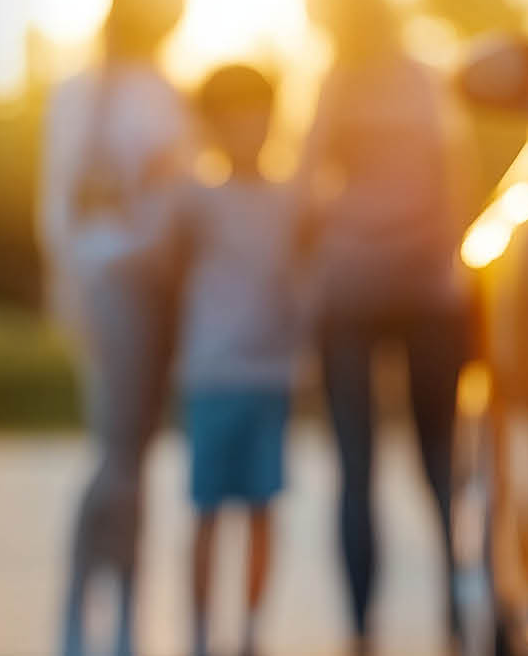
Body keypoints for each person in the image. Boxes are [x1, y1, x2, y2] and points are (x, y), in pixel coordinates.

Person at [292, 0, 478, 652]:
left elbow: (307, 188)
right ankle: (456, 613)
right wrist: (442, 249)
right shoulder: (418, 80)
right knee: (437, 457)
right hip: (426, 285)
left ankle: (361, 630)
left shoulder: (336, 83)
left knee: (358, 465)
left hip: (354, 287)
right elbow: (454, 176)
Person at [40, 0, 194, 656]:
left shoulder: (167, 93)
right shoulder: (84, 94)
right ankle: (80, 609)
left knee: (134, 457)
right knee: (118, 455)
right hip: (111, 290)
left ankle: (128, 612)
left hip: (159, 293)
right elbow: (60, 210)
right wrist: (72, 292)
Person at [174, 65, 301, 656]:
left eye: (257, 116)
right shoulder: (195, 199)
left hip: (270, 376)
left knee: (259, 511)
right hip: (211, 376)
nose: (246, 130)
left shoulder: (292, 199)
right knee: (206, 512)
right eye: (230, 119)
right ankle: (200, 634)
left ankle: (250, 632)